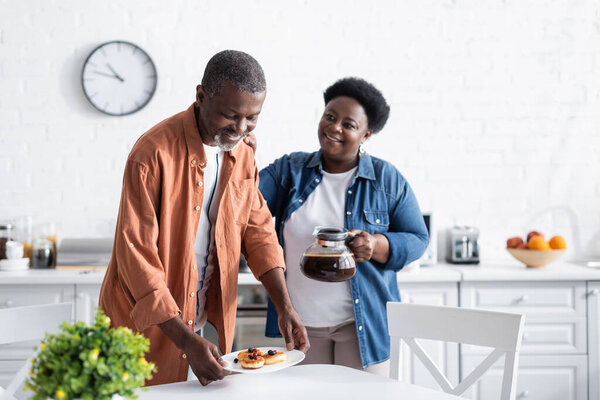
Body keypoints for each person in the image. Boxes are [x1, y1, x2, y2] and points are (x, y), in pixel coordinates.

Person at [99, 50, 308, 387]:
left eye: (252, 117)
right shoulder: (152, 154)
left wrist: (284, 305)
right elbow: (136, 259)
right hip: (145, 330)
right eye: (230, 115)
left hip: (203, 326)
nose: (241, 128)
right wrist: (184, 340)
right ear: (201, 96)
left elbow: (259, 232)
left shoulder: (242, 154)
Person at [257, 77, 429, 375]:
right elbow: (247, 200)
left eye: (349, 125)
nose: (334, 128)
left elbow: (417, 239)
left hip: (363, 327)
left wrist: (376, 244)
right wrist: (242, 155)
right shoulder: (290, 170)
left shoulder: (387, 179)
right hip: (300, 325)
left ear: (366, 134)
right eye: (330, 117)